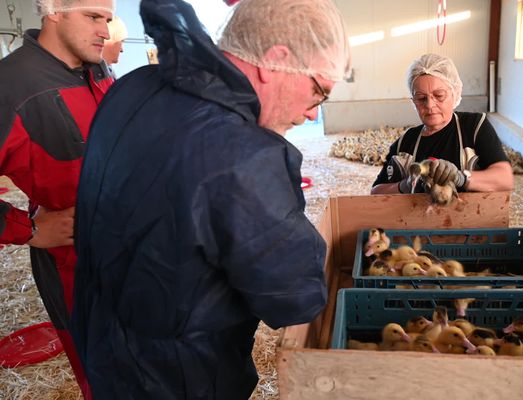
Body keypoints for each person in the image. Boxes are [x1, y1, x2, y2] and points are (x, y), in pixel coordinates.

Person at [70, 0, 350, 398]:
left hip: (104, 345)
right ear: (275, 61)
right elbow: (295, 297)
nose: (311, 114)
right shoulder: (244, 155)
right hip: (178, 377)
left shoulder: (135, 86)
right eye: (319, 91)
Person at [0, 0, 114, 398]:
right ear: (54, 10)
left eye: (109, 20)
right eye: (94, 17)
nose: (106, 30)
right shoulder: (11, 85)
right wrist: (26, 228)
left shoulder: (96, 70)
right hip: (75, 265)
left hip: (132, 254)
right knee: (105, 376)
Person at [371, 53, 514, 195]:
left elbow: (505, 178)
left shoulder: (474, 127)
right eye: (421, 98)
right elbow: (376, 193)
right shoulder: (406, 143)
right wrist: (405, 186)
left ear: (454, 94)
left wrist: (461, 178)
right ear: (413, 101)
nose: (430, 105)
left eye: (439, 96)